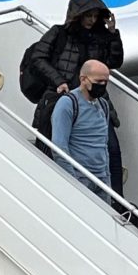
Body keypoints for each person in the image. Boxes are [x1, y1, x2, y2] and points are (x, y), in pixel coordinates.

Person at [49, 61, 117, 189]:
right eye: (98, 81)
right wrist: (72, 183)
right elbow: (59, 146)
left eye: (105, 82)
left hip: (102, 180)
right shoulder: (67, 104)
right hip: (80, 179)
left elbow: (104, 144)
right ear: (83, 79)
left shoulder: (103, 105)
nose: (102, 85)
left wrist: (107, 178)